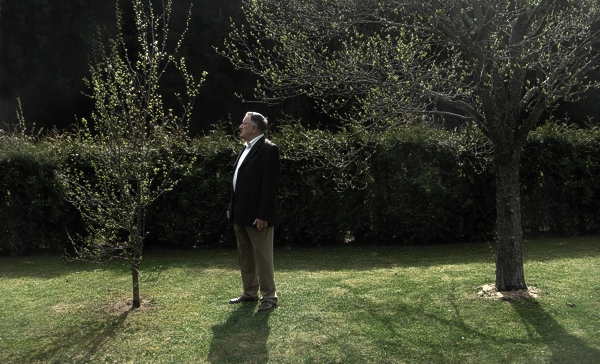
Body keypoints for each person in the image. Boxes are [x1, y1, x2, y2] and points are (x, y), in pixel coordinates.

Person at [227, 111, 280, 312]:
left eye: (244, 123)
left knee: (263, 257)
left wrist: (263, 215)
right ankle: (250, 293)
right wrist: (231, 207)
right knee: (246, 256)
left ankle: (269, 297)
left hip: (258, 217)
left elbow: (270, 186)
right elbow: (238, 182)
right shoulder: (245, 148)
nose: (240, 126)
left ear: (254, 127)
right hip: (240, 215)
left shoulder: (268, 150)